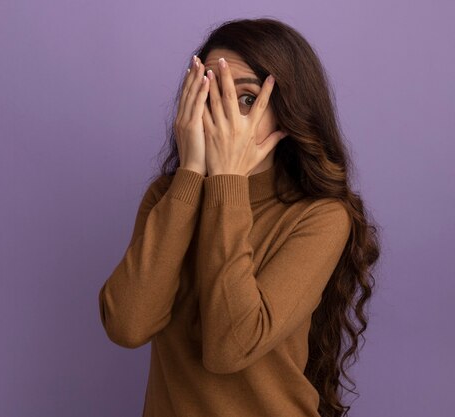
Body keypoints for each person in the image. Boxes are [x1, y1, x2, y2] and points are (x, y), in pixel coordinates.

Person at [98, 17, 381, 417]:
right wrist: (191, 176)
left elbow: (230, 348)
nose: (222, 114)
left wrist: (228, 182)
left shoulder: (320, 217)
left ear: (285, 113)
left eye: (246, 99)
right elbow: (127, 325)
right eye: (208, 91)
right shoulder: (168, 197)